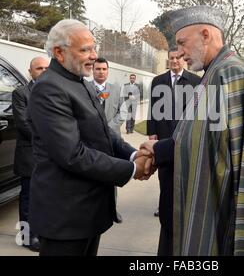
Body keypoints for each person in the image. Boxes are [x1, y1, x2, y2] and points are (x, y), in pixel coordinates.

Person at [141, 5, 244, 256]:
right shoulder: (214, 72)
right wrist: (160, 148)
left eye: (181, 43)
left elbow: (225, 148)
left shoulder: (230, 72)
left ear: (205, 34)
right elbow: (201, 135)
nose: (179, 53)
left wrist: (158, 149)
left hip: (220, 205)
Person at [27, 19, 153, 256]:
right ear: (59, 53)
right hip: (65, 218)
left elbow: (104, 133)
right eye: (85, 49)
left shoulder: (79, 82)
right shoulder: (49, 89)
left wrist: (134, 153)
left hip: (88, 214)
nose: (94, 56)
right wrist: (131, 169)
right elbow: (72, 155)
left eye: (94, 48)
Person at [147, 47, 201, 255]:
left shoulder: (195, 81)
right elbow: (153, 109)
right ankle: (165, 206)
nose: (175, 61)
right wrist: (152, 134)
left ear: (183, 60)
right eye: (171, 58)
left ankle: (182, 207)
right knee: (165, 176)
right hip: (163, 137)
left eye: (178, 58)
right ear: (168, 60)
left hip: (185, 141)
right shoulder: (158, 81)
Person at [12, 56, 49, 252]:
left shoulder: (54, 92)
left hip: (51, 155)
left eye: (46, 68)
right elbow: (24, 124)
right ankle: (27, 236)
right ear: (30, 71)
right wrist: (52, 139)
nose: (43, 71)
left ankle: (42, 232)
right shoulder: (21, 93)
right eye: (39, 68)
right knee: (28, 197)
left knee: (46, 197)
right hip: (30, 154)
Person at [91, 57, 127, 223]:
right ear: (93, 70)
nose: (101, 72)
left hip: (112, 141)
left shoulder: (116, 89)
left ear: (108, 71)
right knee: (92, 176)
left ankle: (112, 210)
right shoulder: (85, 88)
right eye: (97, 69)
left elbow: (123, 113)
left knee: (112, 175)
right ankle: (93, 211)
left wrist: (108, 129)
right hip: (91, 141)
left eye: (104, 69)